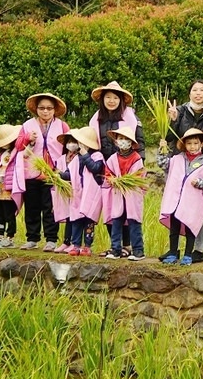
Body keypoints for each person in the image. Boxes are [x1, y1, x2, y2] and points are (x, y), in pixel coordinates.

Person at [162, 80, 203, 263]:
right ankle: (174, 251)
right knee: (177, 203)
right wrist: (171, 120)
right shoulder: (179, 110)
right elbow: (169, 137)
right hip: (180, 162)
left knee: (196, 208)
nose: (198, 93)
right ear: (189, 93)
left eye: (202, 90)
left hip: (202, 163)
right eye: (194, 89)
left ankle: (197, 250)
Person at [90, 81, 144, 259]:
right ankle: (115, 246)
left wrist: (136, 169)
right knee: (111, 208)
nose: (111, 101)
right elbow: (92, 144)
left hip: (128, 166)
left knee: (129, 208)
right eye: (108, 97)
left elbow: (139, 142)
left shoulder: (130, 117)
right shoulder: (96, 118)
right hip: (107, 169)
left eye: (115, 97)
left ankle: (128, 246)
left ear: (121, 100)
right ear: (102, 100)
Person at [12, 93, 70, 251]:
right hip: (31, 172)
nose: (45, 111)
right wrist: (26, 138)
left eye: (49, 108)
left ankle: (51, 240)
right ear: (36, 109)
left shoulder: (62, 126)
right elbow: (17, 146)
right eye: (42, 108)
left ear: (54, 110)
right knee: (32, 206)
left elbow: (69, 146)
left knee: (50, 206)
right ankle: (32, 238)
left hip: (53, 173)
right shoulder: (27, 125)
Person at [159, 129, 203, 266]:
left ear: (201, 144)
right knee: (175, 227)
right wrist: (162, 149)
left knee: (191, 226)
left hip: (192, 203)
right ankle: (173, 253)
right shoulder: (177, 159)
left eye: (195, 143)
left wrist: (199, 183)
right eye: (189, 143)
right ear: (184, 145)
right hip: (176, 201)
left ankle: (188, 255)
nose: (192, 146)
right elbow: (162, 164)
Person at [103, 126, 146, 261]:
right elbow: (107, 174)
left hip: (132, 194)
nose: (123, 142)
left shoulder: (136, 158)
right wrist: (113, 180)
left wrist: (125, 181)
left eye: (126, 139)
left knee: (134, 221)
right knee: (116, 220)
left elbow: (138, 176)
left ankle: (138, 250)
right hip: (117, 193)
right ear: (116, 141)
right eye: (120, 139)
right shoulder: (112, 159)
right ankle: (116, 249)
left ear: (132, 143)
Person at [68, 126, 106, 256]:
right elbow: (70, 173)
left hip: (91, 194)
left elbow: (95, 168)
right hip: (78, 193)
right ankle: (76, 245)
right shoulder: (75, 158)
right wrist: (57, 175)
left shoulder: (97, 156)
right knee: (76, 220)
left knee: (89, 221)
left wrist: (85, 155)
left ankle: (87, 246)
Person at [0, 124, 21, 248]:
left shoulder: (16, 153)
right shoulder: (1, 154)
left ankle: (10, 237)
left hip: (8, 187)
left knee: (9, 213)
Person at [51, 130, 82, 253]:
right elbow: (57, 172)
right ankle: (66, 241)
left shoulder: (80, 158)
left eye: (74, 142)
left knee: (75, 217)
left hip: (75, 189)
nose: (71, 144)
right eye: (69, 142)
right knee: (68, 215)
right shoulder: (61, 159)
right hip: (64, 190)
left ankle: (75, 242)